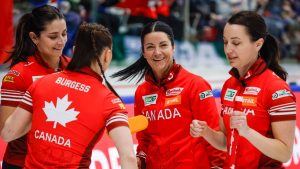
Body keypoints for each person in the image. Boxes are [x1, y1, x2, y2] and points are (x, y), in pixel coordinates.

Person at [0, 22, 138, 169]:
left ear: (74, 51)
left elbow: (8, 133)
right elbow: (128, 157)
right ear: (107, 55)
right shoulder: (110, 102)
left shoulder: (41, 83)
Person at [190, 11, 296, 169]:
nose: (228, 50)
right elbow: (227, 142)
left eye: (236, 43)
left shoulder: (276, 89)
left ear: (258, 44)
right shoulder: (229, 85)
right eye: (225, 42)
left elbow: (285, 153)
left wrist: (248, 132)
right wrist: (206, 132)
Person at [112, 21, 225, 169]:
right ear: (144, 52)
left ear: (173, 47)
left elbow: (213, 134)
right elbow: (144, 140)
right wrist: (140, 160)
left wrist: (219, 166)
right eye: (150, 47)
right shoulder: (142, 92)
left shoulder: (195, 85)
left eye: (163, 45)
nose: (157, 52)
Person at [0, 5, 70, 169]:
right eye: (53, 36)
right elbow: (6, 133)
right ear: (34, 37)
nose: (61, 41)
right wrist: (48, 111)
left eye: (64, 34)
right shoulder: (18, 75)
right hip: (22, 163)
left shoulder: (72, 67)